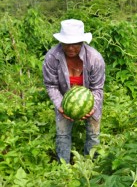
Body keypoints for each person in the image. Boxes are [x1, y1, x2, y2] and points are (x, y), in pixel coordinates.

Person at [42, 19, 105, 163]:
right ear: (61, 42)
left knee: (93, 134)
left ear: (82, 42)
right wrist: (61, 106)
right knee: (62, 134)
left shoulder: (95, 59)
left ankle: (90, 165)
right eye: (67, 43)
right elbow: (51, 85)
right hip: (64, 101)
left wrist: (91, 108)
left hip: (90, 101)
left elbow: (97, 88)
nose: (71, 48)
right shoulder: (52, 57)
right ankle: (63, 168)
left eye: (75, 44)